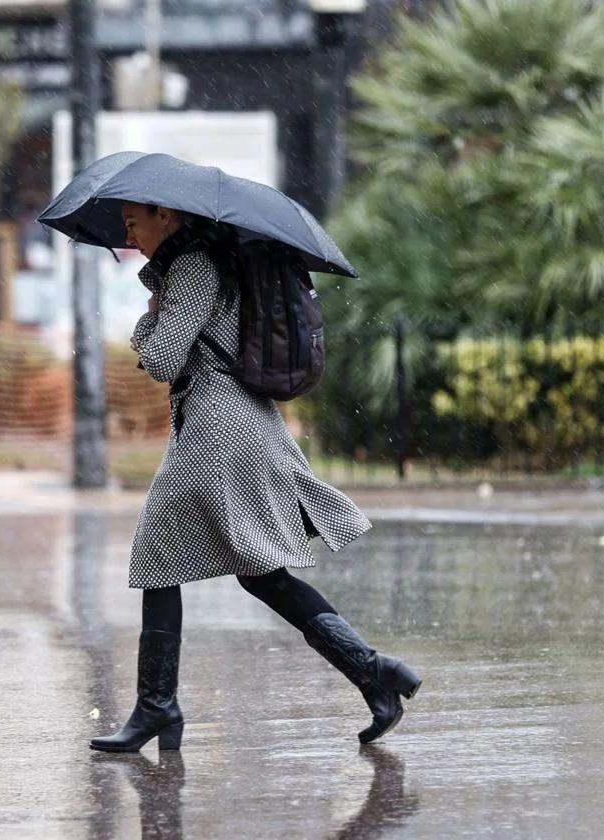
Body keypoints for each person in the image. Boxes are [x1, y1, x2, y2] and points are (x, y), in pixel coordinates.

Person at [90, 203, 421, 753]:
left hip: (220, 433)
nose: (128, 232)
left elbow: (166, 360)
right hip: (227, 425)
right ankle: (373, 674)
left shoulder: (193, 266)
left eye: (133, 222)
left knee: (159, 558)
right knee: (259, 574)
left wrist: (149, 320)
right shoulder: (202, 262)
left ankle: (159, 707)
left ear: (165, 217)